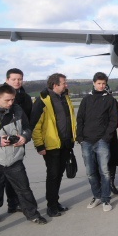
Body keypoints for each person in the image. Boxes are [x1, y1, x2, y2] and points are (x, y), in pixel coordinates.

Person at [0, 84, 47, 236]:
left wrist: (24, 137)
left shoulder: (17, 110)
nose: (10, 103)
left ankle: (33, 214)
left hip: (14, 159)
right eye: (7, 100)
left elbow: (27, 128)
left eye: (12, 99)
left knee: (24, 190)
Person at [0, 68, 33, 224]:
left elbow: (27, 122)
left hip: (16, 146)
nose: (17, 82)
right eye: (14, 79)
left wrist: (24, 137)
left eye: (20, 79)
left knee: (15, 181)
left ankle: (14, 204)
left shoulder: (24, 98)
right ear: (7, 80)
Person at [31, 73, 75, 218]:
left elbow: (71, 119)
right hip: (51, 147)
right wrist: (39, 145)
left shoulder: (65, 98)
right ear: (55, 85)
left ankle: (55, 202)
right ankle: (51, 206)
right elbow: (36, 126)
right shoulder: (43, 101)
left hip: (65, 144)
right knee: (53, 175)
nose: (66, 85)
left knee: (59, 175)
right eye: (64, 83)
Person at [76, 72, 118, 212]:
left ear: (106, 84)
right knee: (90, 172)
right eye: (99, 83)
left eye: (103, 84)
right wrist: (80, 138)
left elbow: (114, 120)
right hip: (87, 141)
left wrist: (106, 137)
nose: (101, 86)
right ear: (93, 83)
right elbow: (80, 119)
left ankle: (106, 199)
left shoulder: (110, 100)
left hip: (102, 141)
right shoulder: (86, 99)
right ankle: (97, 196)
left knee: (104, 171)